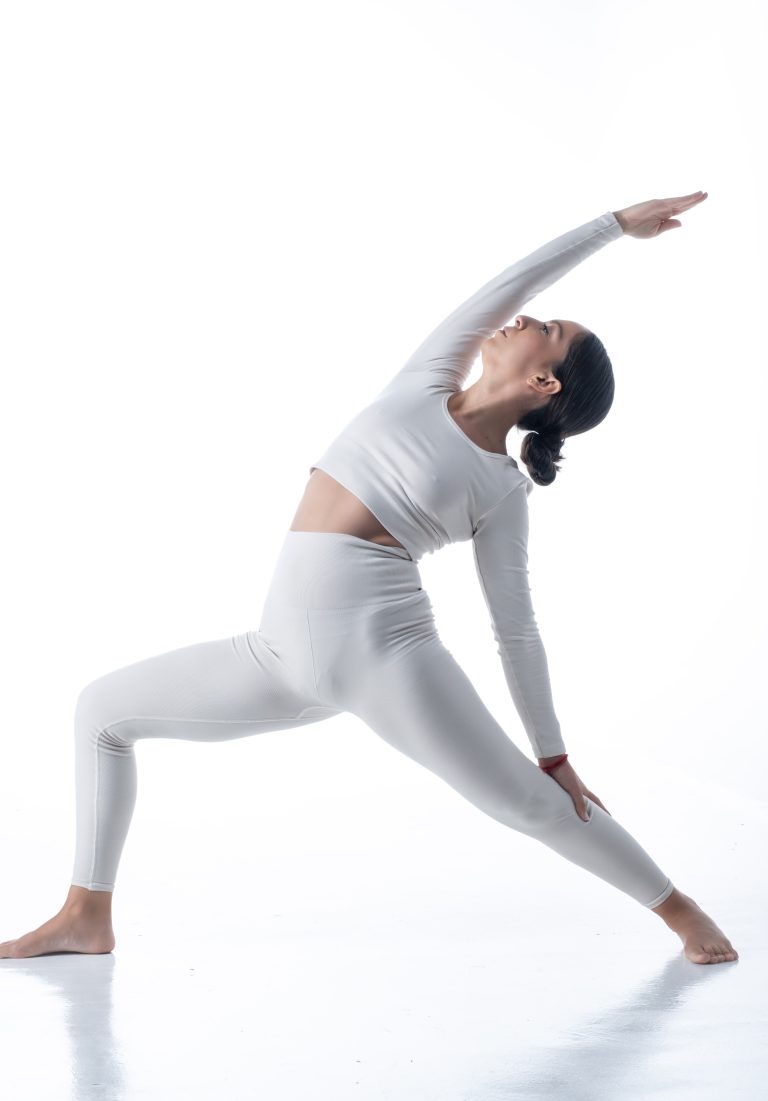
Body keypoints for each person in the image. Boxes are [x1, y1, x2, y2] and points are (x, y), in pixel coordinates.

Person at [0, 191, 738, 965]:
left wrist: (551, 753)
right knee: (101, 712)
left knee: (531, 801)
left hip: (388, 656)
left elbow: (515, 629)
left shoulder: (502, 489)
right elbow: (509, 283)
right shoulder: (424, 381)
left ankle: (680, 909)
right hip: (276, 654)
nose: (526, 318)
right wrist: (612, 227)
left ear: (547, 384)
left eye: (547, 330)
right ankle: (85, 915)